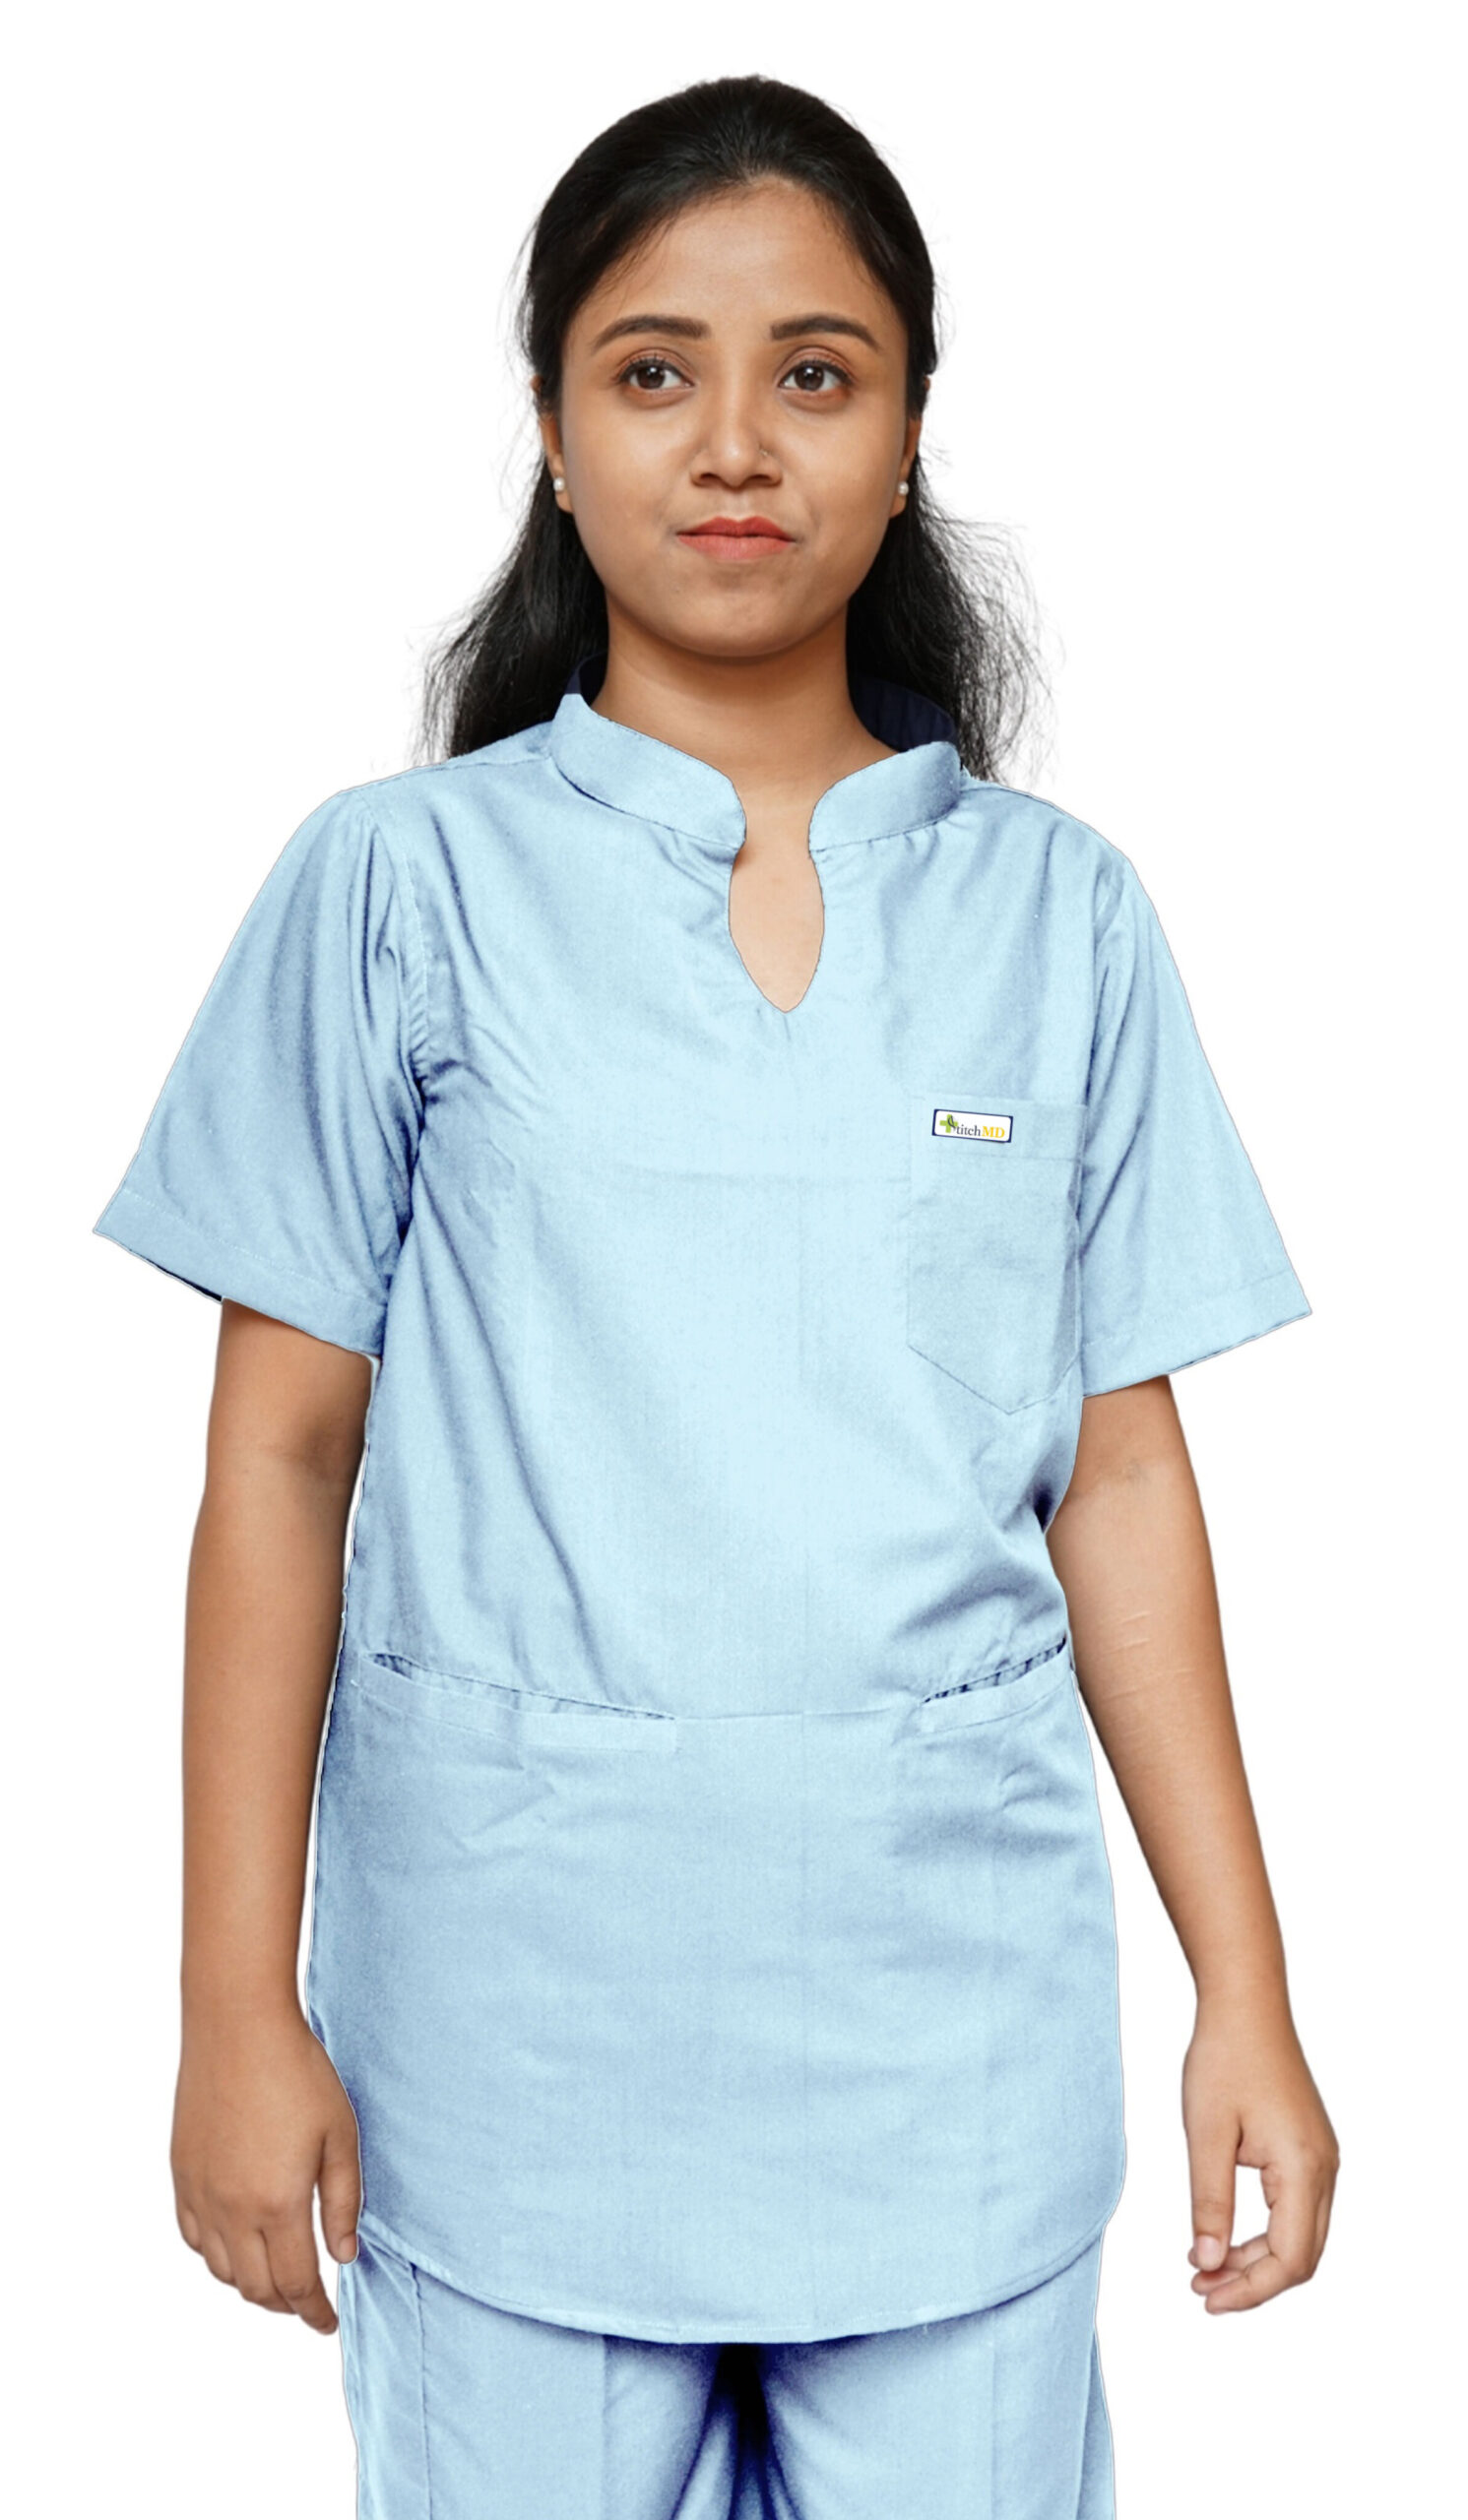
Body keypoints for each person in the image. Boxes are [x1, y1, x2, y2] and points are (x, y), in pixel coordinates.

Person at [93, 72, 1339, 2520]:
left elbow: (1115, 1478)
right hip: (512, 2024)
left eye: (815, 371)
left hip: (941, 2031)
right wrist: (232, 2005)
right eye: (651, 370)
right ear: (552, 435)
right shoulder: (399, 888)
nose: (734, 441)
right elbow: (281, 1460)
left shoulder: (1057, 917)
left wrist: (1248, 1993)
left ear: (908, 432)